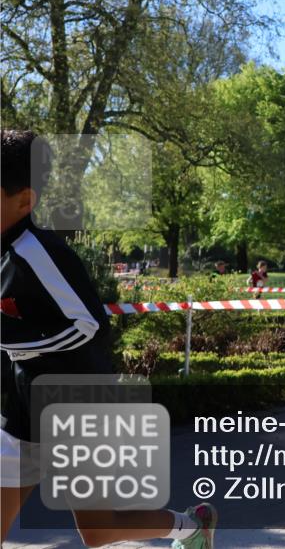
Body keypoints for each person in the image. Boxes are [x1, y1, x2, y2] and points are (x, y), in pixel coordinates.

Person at [0, 131, 216, 548]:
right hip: (22, 402)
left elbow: (88, 324)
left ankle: (193, 526)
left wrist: (9, 338)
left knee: (98, 532)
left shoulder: (36, 252)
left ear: (25, 201)